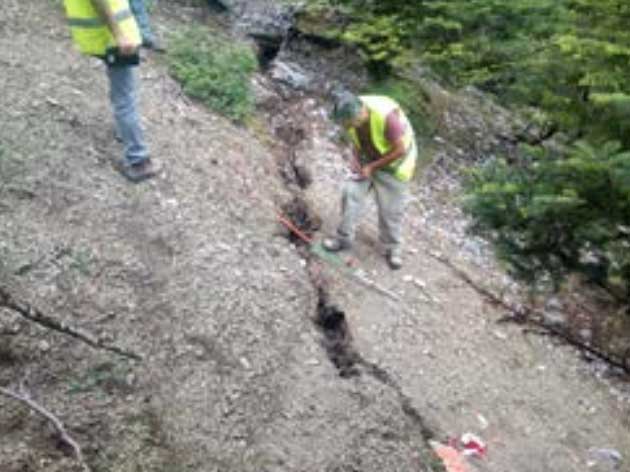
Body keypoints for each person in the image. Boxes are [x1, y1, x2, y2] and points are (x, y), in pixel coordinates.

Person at [63, 0, 157, 182]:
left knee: (123, 97)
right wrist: (120, 35)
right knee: (124, 97)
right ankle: (139, 159)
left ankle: (136, 154)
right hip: (114, 38)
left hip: (109, 38)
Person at [324, 92, 418, 270]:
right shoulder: (349, 114)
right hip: (370, 157)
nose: (348, 126)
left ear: (361, 113)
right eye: (346, 124)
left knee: (390, 210)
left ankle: (393, 248)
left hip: (396, 165)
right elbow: (356, 141)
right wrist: (356, 159)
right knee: (350, 193)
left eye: (351, 123)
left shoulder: (388, 118)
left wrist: (372, 167)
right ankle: (343, 238)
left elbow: (400, 150)